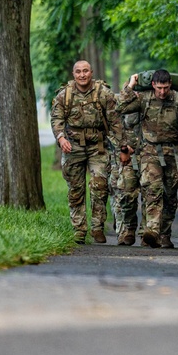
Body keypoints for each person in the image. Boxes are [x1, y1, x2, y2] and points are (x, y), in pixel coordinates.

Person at [117, 69, 178, 249]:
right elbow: (119, 107)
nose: (163, 92)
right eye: (159, 88)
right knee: (152, 188)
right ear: (153, 85)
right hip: (149, 151)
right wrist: (130, 86)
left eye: (166, 87)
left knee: (170, 195)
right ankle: (152, 230)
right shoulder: (143, 98)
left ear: (170, 85)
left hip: (173, 152)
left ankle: (164, 234)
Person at [51, 60, 123, 244]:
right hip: (73, 145)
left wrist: (122, 147)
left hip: (97, 146)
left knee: (99, 185)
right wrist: (61, 138)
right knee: (76, 189)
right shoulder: (64, 95)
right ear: (73, 74)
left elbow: (115, 122)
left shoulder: (103, 94)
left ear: (91, 73)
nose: (82, 75)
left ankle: (98, 227)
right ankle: (79, 229)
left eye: (85, 71)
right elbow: (57, 119)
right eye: (78, 72)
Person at [110, 111, 142, 245]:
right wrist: (123, 148)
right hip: (122, 156)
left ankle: (144, 232)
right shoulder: (119, 103)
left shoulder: (152, 100)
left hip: (147, 153)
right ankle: (124, 230)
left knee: (151, 194)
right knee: (122, 194)